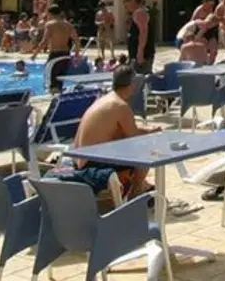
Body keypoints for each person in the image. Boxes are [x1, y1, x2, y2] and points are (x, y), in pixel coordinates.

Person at [61, 65, 158, 201]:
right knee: (146, 150)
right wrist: (151, 133)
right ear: (132, 85)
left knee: (128, 144)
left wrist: (148, 130)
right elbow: (134, 136)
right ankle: (135, 195)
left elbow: (122, 130)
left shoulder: (105, 99)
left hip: (79, 160)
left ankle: (140, 185)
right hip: (92, 165)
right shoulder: (120, 106)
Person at [40, 4, 77, 89]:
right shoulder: (68, 25)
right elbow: (77, 41)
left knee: (50, 79)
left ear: (50, 14)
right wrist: (77, 55)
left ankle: (52, 97)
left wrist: (35, 54)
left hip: (55, 54)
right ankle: (59, 95)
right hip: (66, 54)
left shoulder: (50, 25)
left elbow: (44, 41)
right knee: (60, 79)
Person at [122, 0, 155, 70]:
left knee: (139, 80)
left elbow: (143, 32)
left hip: (142, 57)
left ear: (133, 1)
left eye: (126, 1)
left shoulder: (139, 13)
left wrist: (140, 52)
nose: (124, 4)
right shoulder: (139, 12)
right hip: (139, 55)